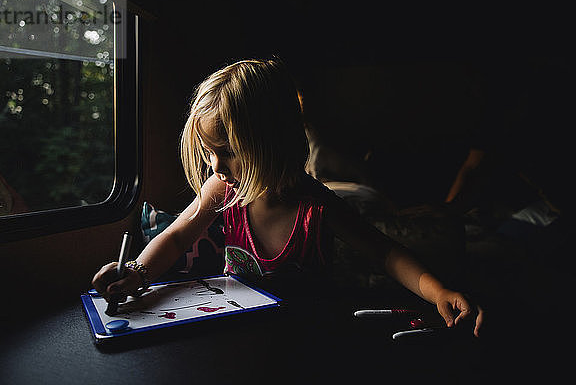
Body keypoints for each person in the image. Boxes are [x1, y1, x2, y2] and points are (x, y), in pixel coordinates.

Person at [92, 58, 483, 336]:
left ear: (270, 143)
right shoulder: (225, 189)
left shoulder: (316, 204)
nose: (214, 166)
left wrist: (440, 292)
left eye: (227, 151)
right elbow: (177, 236)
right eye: (209, 151)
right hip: (237, 327)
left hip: (304, 332)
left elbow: (385, 253)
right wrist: (137, 273)